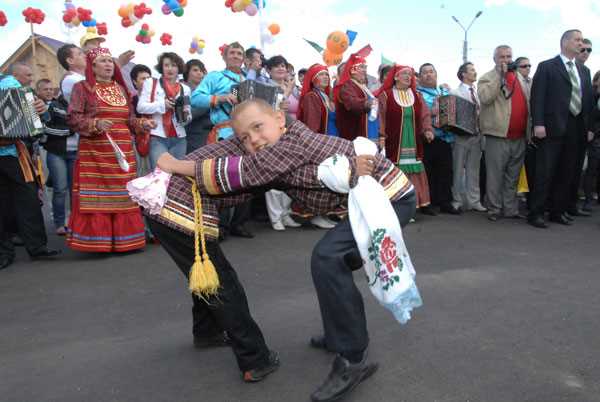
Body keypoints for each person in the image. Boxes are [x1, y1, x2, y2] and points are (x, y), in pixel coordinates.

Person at [156, 98, 417, 402]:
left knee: (328, 259)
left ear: (280, 120)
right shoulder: (279, 148)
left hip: (388, 199)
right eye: (244, 138)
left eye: (258, 127)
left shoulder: (292, 144)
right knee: (332, 261)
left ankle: (352, 359)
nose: (254, 140)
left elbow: (247, 172)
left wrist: (174, 164)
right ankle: (340, 336)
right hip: (362, 201)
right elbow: (249, 179)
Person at [66, 47, 156, 252]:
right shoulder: (82, 87)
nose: (108, 64)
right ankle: (99, 243)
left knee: (124, 195)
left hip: (122, 151)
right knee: (99, 198)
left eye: (110, 61)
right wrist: (95, 124)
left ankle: (126, 242)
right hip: (95, 152)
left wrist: (142, 124)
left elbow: (129, 120)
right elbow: (72, 117)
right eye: (103, 61)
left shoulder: (122, 89)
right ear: (93, 66)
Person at [529, 30, 594, 228]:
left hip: (576, 127)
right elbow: (537, 97)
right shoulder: (548, 66)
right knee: (545, 171)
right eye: (577, 40)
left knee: (567, 171)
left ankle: (558, 211)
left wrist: (590, 127)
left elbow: (588, 101)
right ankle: (536, 212)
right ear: (564, 42)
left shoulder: (584, 70)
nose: (581, 44)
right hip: (551, 127)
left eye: (582, 40)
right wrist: (538, 123)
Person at [0, 65, 61, 270]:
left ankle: (37, 247)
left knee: (28, 199)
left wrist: (40, 110)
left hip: (14, 152)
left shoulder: (10, 84)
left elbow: (36, 120)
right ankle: (4, 252)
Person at [191, 42, 252, 238]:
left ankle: (240, 223)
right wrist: (221, 98)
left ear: (243, 58)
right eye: (232, 53)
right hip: (223, 133)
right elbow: (195, 98)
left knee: (248, 178)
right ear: (224, 57)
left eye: (239, 53)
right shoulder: (215, 77)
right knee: (222, 178)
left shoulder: (250, 81)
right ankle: (221, 225)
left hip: (247, 134)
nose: (235, 56)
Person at [478, 45, 530, 222]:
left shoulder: (519, 78)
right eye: (502, 57)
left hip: (520, 136)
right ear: (495, 59)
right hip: (498, 136)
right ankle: (494, 208)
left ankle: (510, 209)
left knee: (513, 176)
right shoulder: (487, 77)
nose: (506, 60)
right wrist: (500, 76)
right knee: (495, 175)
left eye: (509, 56)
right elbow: (485, 98)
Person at [376, 64, 434, 213]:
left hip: (413, 139)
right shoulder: (386, 96)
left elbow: (425, 115)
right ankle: (398, 205)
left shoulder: (417, 95)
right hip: (393, 141)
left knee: (415, 170)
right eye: (405, 74)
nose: (409, 77)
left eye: (410, 74)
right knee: (396, 171)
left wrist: (427, 129)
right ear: (395, 77)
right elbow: (380, 117)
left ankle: (419, 203)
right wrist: (381, 135)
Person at [262, 55, 303, 231]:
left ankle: (285, 213)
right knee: (274, 175)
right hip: (273, 133)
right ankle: (275, 216)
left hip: (291, 132)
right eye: (276, 66)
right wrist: (286, 92)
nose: (281, 69)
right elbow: (272, 109)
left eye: (283, 66)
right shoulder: (265, 86)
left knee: (290, 175)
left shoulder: (293, 88)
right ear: (269, 71)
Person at [136, 52, 191, 169]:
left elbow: (188, 112)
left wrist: (186, 116)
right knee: (159, 175)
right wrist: (162, 105)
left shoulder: (185, 89)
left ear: (179, 68)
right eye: (166, 65)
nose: (170, 69)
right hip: (157, 136)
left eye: (173, 65)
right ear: (162, 68)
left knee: (177, 177)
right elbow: (140, 107)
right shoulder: (151, 83)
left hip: (179, 138)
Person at [417, 63, 459, 215]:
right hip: (428, 137)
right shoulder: (417, 93)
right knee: (428, 172)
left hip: (446, 137)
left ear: (436, 74)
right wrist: (432, 111)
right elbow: (419, 113)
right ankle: (428, 202)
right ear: (420, 77)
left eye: (431, 72)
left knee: (446, 171)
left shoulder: (444, 90)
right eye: (425, 73)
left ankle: (445, 202)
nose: (429, 75)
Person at [450, 62, 487, 212]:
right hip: (461, 137)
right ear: (463, 74)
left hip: (477, 136)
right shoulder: (454, 92)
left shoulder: (479, 93)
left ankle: (474, 201)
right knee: (457, 169)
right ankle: (457, 200)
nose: (475, 72)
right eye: (471, 70)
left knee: (474, 170)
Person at [334, 52, 373, 140]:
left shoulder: (362, 85)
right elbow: (353, 104)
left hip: (367, 130)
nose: (364, 70)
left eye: (365, 67)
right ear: (352, 70)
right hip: (354, 133)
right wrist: (368, 103)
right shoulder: (347, 86)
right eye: (361, 67)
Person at [183, 59, 211, 153]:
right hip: (189, 139)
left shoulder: (208, 92)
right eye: (195, 70)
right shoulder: (182, 91)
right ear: (187, 73)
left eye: (201, 71)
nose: (199, 73)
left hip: (208, 138)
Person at [582, 71, 600, 211]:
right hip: (595, 138)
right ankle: (588, 199)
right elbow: (589, 115)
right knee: (592, 169)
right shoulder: (592, 95)